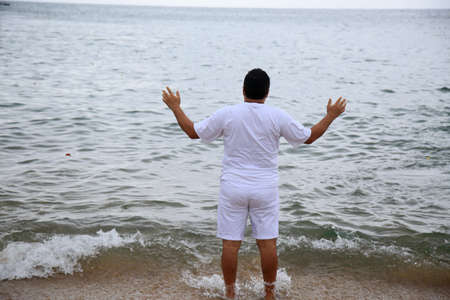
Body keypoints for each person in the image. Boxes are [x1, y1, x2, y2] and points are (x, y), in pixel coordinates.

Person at [162, 68, 347, 300]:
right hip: (264, 188)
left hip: (233, 187)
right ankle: (269, 293)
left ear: (243, 90)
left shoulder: (228, 113)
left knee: (230, 245)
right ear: (267, 93)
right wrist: (331, 115)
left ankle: (230, 293)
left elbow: (192, 132)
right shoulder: (277, 116)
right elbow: (308, 137)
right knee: (267, 244)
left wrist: (175, 107)